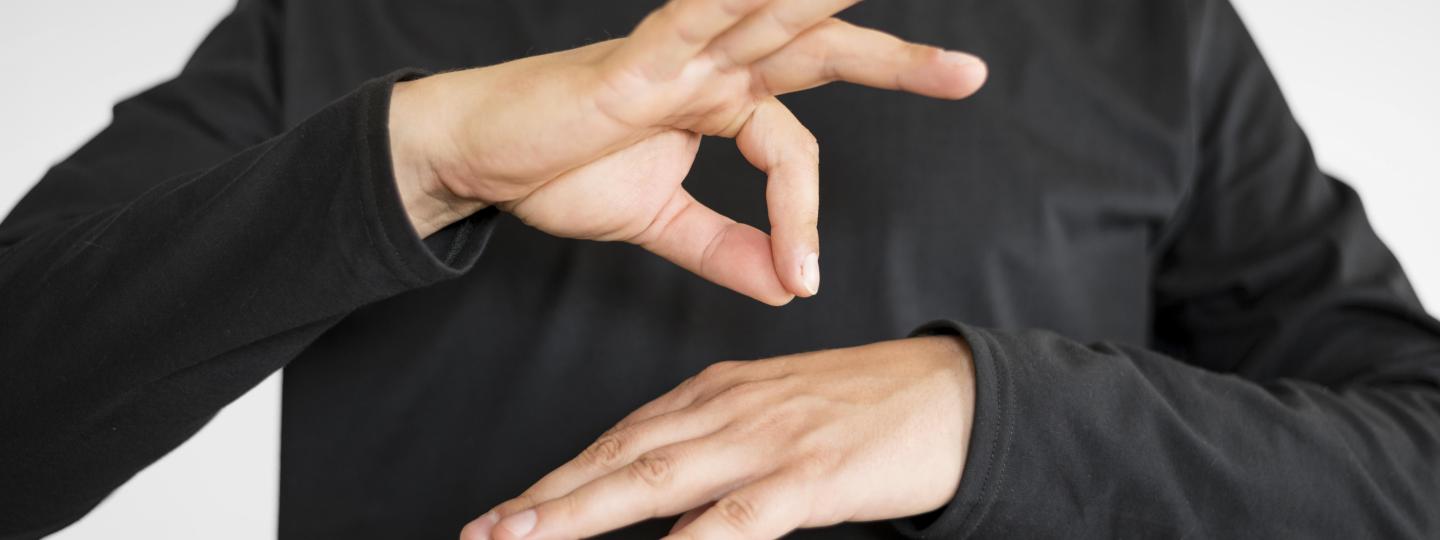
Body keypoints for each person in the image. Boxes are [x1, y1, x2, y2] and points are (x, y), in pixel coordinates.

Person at [1, 0, 1437, 538]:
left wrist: (993, 413)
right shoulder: (341, 20)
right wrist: (418, 161)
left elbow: (1415, 459)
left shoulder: (1144, 28)